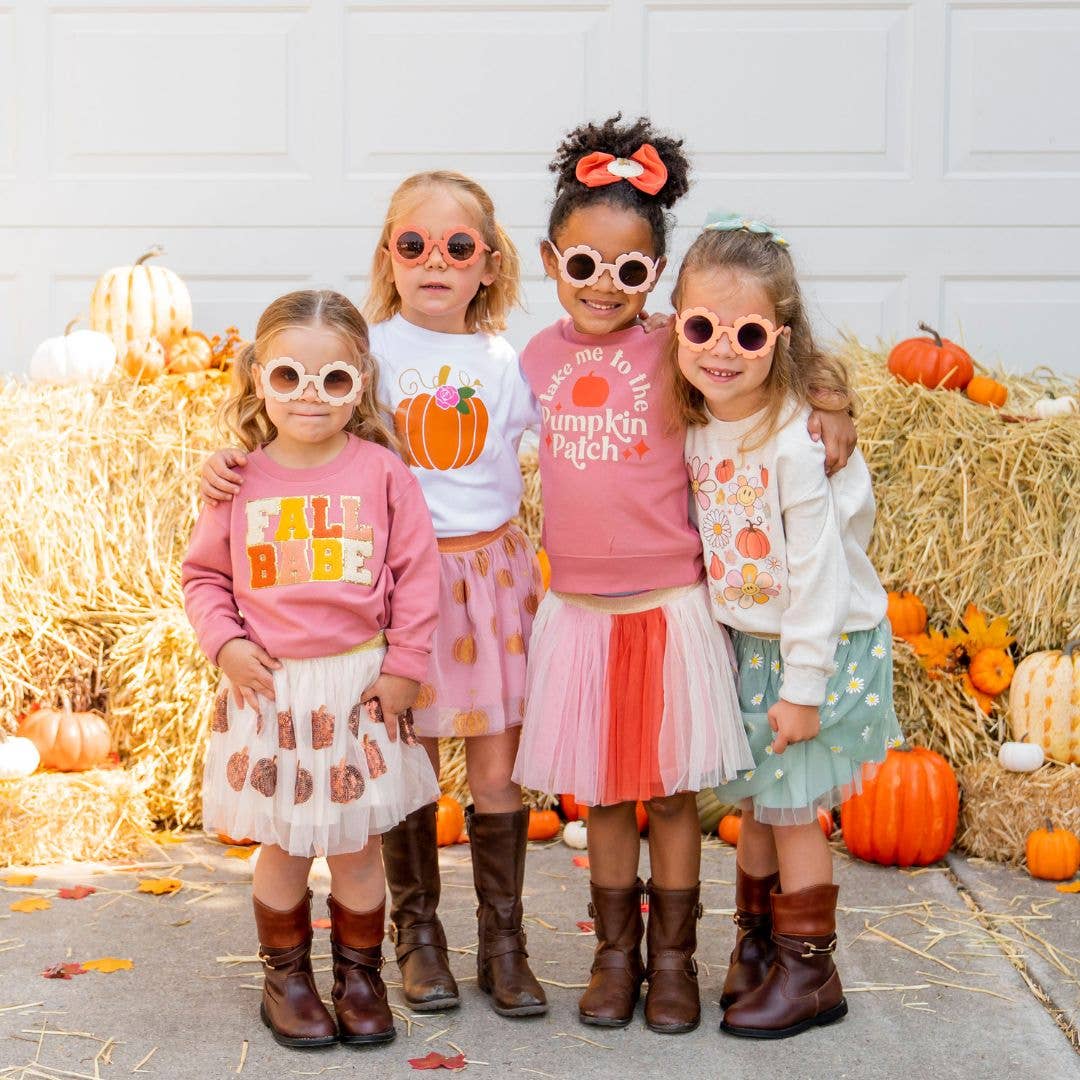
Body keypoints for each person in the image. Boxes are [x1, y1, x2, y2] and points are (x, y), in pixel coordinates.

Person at [512, 115, 859, 1035]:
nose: (605, 285)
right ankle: (615, 956)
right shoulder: (532, 361)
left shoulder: (679, 345)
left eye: (629, 270)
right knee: (604, 794)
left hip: (670, 612)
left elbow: (768, 355)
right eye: (583, 264)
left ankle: (673, 962)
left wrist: (832, 397)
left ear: (656, 275)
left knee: (670, 794)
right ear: (550, 262)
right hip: (579, 614)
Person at [198, 173, 549, 1018]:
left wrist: (820, 396)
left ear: (490, 263)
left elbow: (581, 422)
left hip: (486, 582)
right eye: (414, 244)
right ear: (388, 256)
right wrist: (223, 459)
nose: (436, 261)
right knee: (396, 770)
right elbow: (296, 416)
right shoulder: (369, 350)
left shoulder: (507, 362)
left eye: (458, 247)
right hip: (387, 590)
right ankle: (416, 938)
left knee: (495, 774)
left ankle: (503, 943)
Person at [182, 290, 441, 1048]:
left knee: (358, 846)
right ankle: (286, 979)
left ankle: (360, 977)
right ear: (258, 378)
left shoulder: (383, 474)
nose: (310, 396)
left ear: (360, 384)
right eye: (289, 376)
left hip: (357, 689)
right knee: (286, 845)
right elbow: (204, 578)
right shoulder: (238, 480)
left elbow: (418, 575)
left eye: (333, 379)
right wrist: (225, 644)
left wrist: (406, 664)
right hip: (274, 692)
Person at [669, 214, 903, 1038]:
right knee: (761, 804)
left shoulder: (798, 442)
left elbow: (818, 577)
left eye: (747, 334)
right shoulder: (701, 420)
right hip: (756, 644)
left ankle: (811, 974)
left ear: (781, 337)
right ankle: (758, 947)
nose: (721, 350)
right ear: (675, 325)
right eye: (702, 327)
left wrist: (803, 688)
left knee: (794, 807)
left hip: (820, 647)